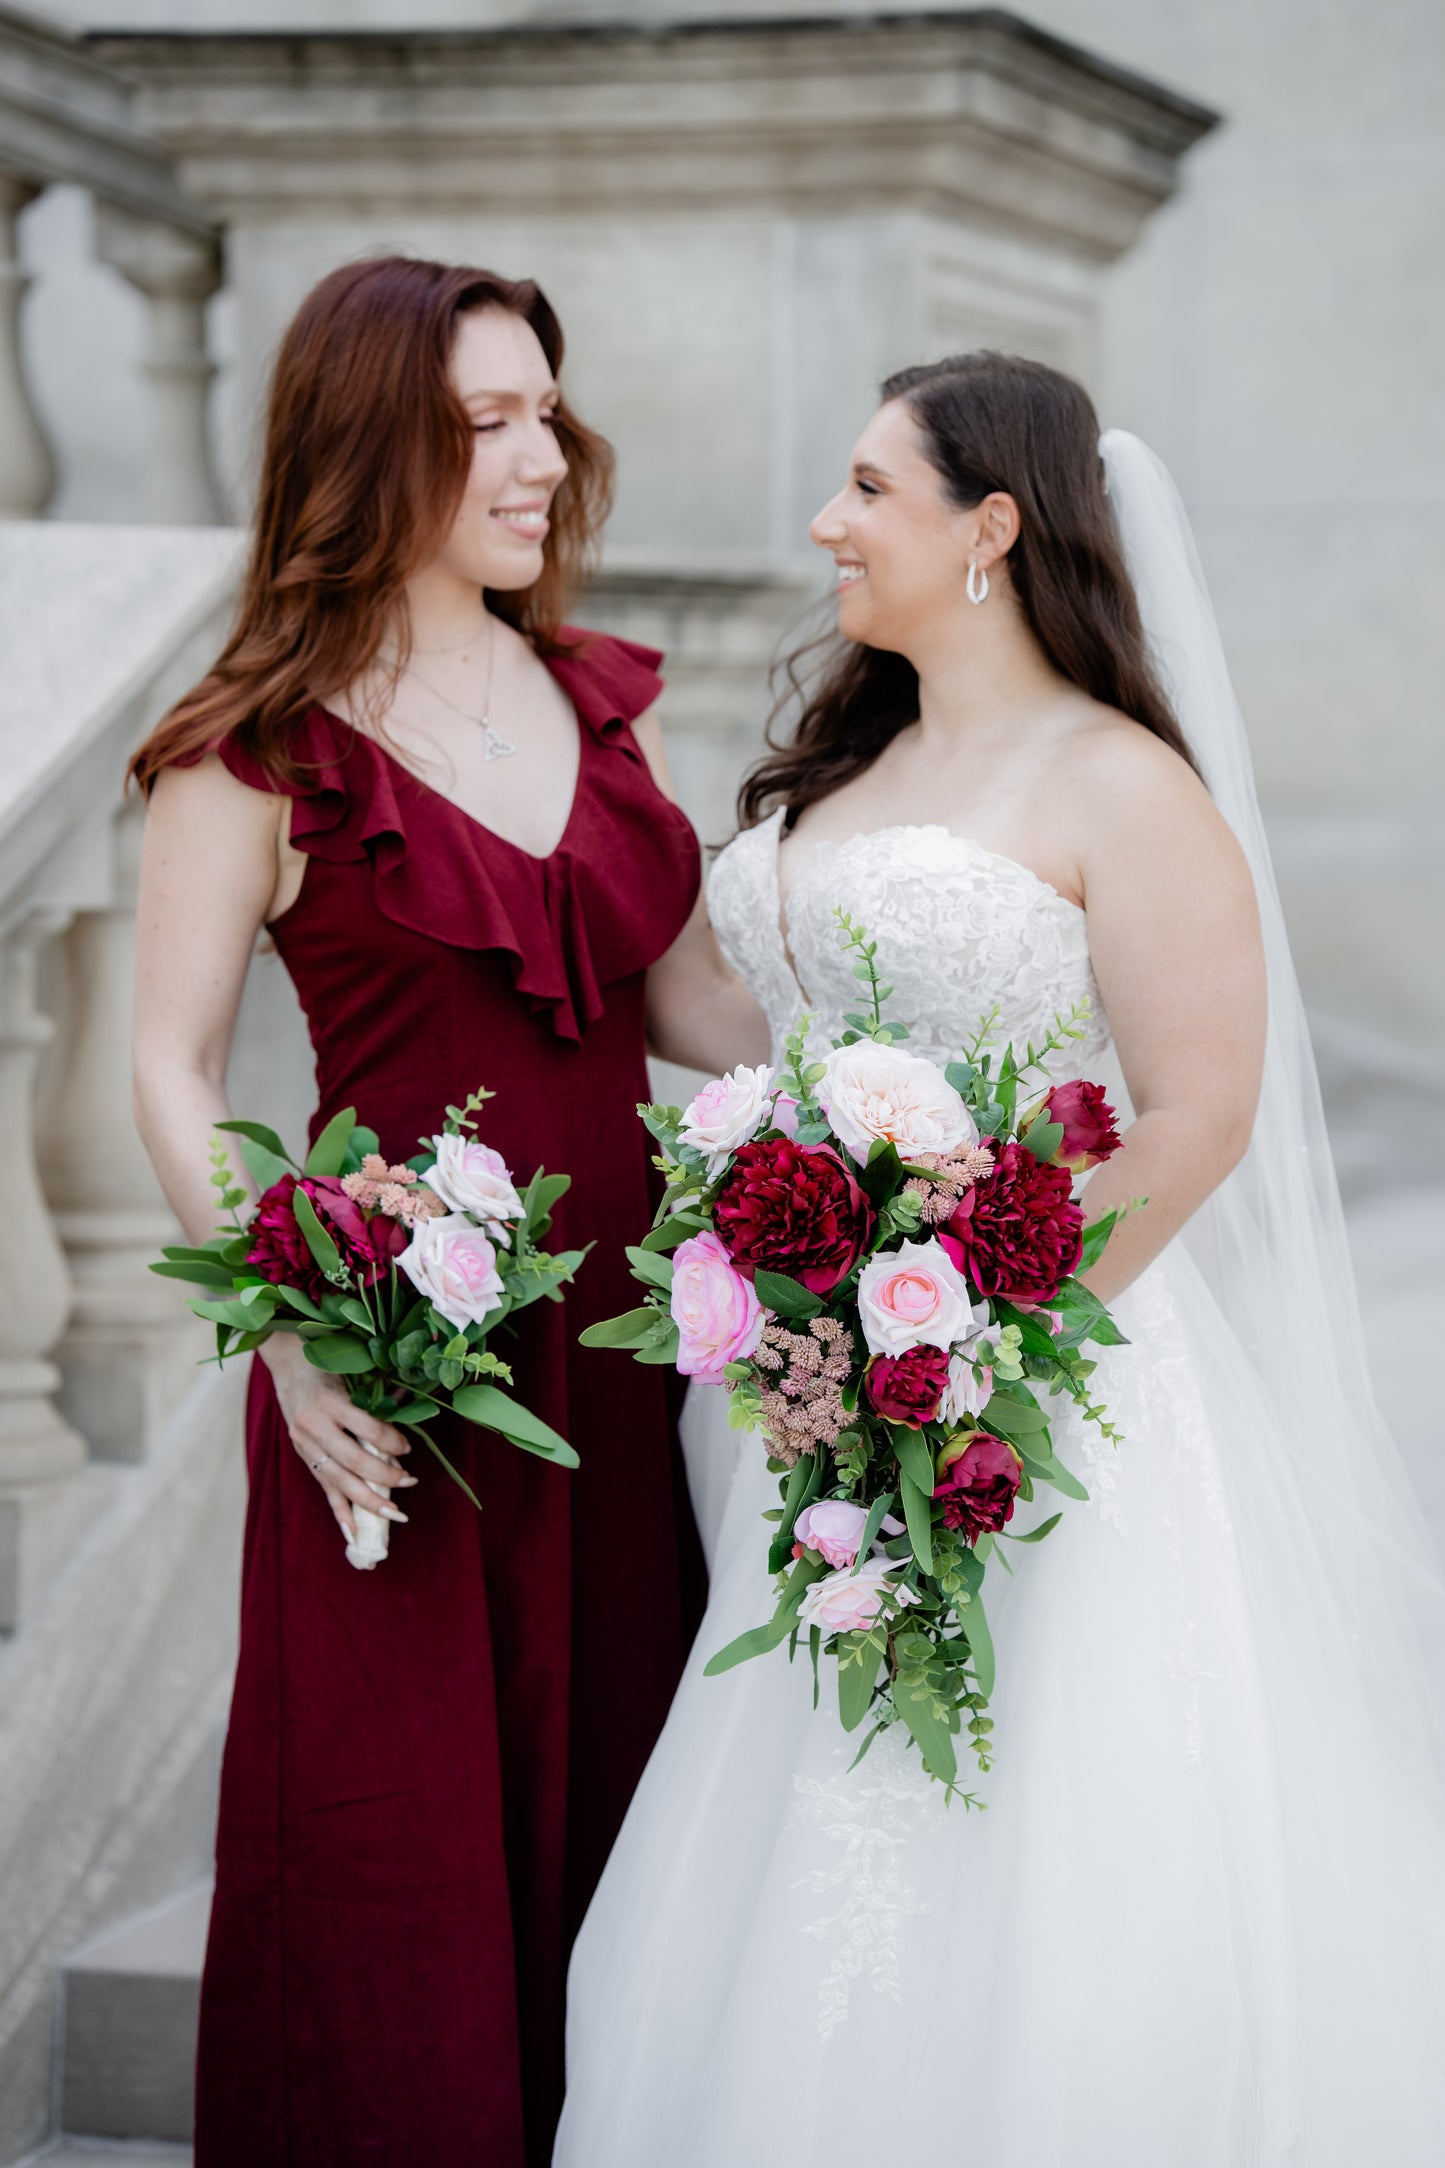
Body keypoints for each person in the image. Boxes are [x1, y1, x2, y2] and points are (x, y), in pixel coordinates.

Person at [554, 352, 1445, 2166]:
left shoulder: (1123, 787)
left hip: (1039, 1402)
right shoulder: (844, 771)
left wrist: (965, 1356)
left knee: (1045, 1797)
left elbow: (1196, 1116)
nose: (825, 520)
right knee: (814, 1768)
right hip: (811, 1399)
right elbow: (720, 1017)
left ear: (989, 528)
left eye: (868, 489)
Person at [131, 254, 763, 2168]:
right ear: (367, 439)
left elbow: (681, 1011)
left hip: (615, 1370)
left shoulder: (594, 700)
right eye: (484, 418)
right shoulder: (256, 743)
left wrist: (889, 1031)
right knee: (388, 1868)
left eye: (544, 410)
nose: (538, 455)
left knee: (609, 1813)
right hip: (396, 1359)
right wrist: (290, 1324)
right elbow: (165, 1066)